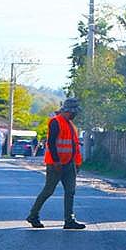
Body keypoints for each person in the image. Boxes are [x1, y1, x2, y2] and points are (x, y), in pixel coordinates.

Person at [26, 98, 85, 229]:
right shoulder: (55, 122)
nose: (75, 115)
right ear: (68, 111)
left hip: (69, 164)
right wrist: (56, 161)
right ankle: (33, 215)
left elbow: (74, 146)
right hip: (55, 164)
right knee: (48, 191)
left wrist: (77, 162)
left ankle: (69, 220)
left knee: (70, 191)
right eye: (74, 112)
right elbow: (51, 143)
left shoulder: (71, 125)